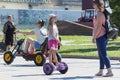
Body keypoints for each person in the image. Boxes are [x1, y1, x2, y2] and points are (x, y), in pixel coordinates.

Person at [93, 0, 113, 77]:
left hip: (100, 36)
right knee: (101, 54)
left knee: (103, 54)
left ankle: (110, 71)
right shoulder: (102, 13)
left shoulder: (99, 14)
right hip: (103, 36)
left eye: (94, 4)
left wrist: (94, 37)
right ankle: (101, 71)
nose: (93, 6)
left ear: (97, 5)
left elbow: (98, 27)